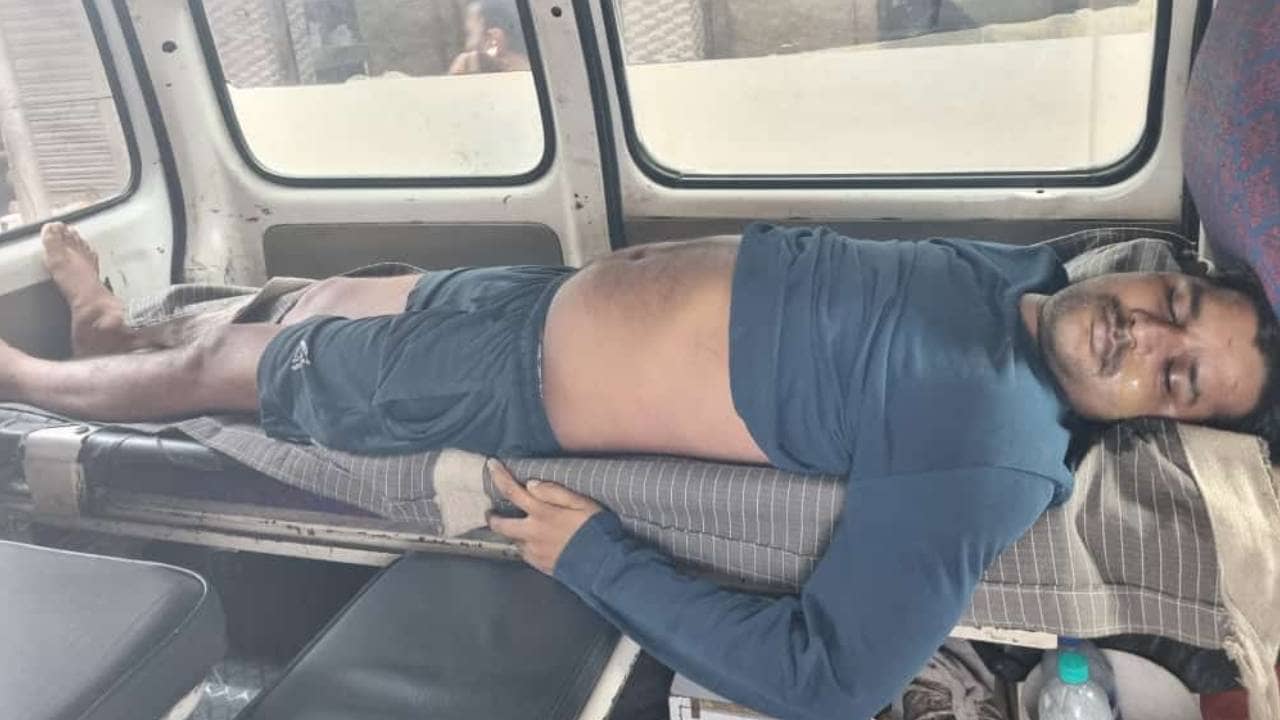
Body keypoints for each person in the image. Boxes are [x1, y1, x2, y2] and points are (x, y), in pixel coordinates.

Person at [6, 220, 1277, 720]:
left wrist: (595, 555)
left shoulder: (997, 455)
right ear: (1157, 273)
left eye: (1176, 380)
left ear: (1152, 422)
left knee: (237, 368)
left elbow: (833, 683)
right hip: (527, 295)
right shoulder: (1034, 275)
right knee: (311, 303)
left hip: (510, 381)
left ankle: (39, 379)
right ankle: (116, 336)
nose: (1145, 338)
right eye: (1171, 307)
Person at [448, 0, 531, 75]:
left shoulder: (468, 63)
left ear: (493, 39)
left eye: (469, 34)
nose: (467, 46)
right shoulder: (532, 72)